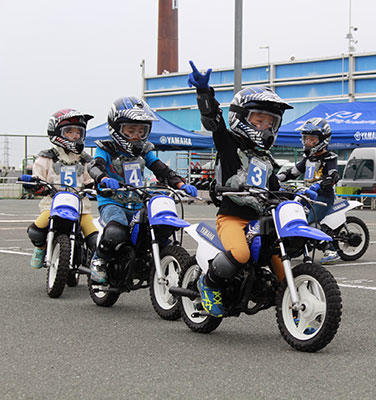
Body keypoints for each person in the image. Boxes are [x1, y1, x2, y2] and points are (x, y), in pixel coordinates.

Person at [187, 60, 293, 317]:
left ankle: (291, 302)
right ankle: (208, 283)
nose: (265, 127)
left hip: (261, 220)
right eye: (259, 120)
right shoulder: (229, 146)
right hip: (232, 217)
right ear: (242, 118)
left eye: (270, 122)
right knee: (241, 253)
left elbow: (276, 186)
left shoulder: (266, 160)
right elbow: (214, 122)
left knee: (281, 257)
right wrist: (204, 93)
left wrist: (297, 192)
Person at [87, 96, 197, 283]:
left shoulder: (145, 150)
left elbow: (160, 168)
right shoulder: (106, 148)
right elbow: (95, 166)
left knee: (160, 230)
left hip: (138, 201)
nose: (136, 135)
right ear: (116, 128)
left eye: (141, 130)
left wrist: (180, 184)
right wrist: (104, 178)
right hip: (113, 201)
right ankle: (99, 260)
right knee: (116, 231)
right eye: (130, 130)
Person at [25, 109, 98, 269]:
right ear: (56, 132)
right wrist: (35, 184)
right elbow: (38, 177)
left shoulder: (85, 160)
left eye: (78, 132)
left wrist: (95, 185)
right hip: (53, 205)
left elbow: (90, 179)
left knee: (94, 236)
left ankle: (98, 263)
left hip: (80, 208)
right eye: (69, 131)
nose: (75, 135)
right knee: (36, 230)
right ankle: (40, 248)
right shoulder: (46, 157)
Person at [276, 117, 341, 264]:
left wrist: (325, 182)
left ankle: (330, 249)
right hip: (307, 195)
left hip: (323, 197)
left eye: (312, 139)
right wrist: (276, 178)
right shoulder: (308, 158)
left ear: (323, 139)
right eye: (306, 139)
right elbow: (293, 172)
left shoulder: (329, 157)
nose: (308, 142)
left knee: (311, 222)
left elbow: (333, 175)